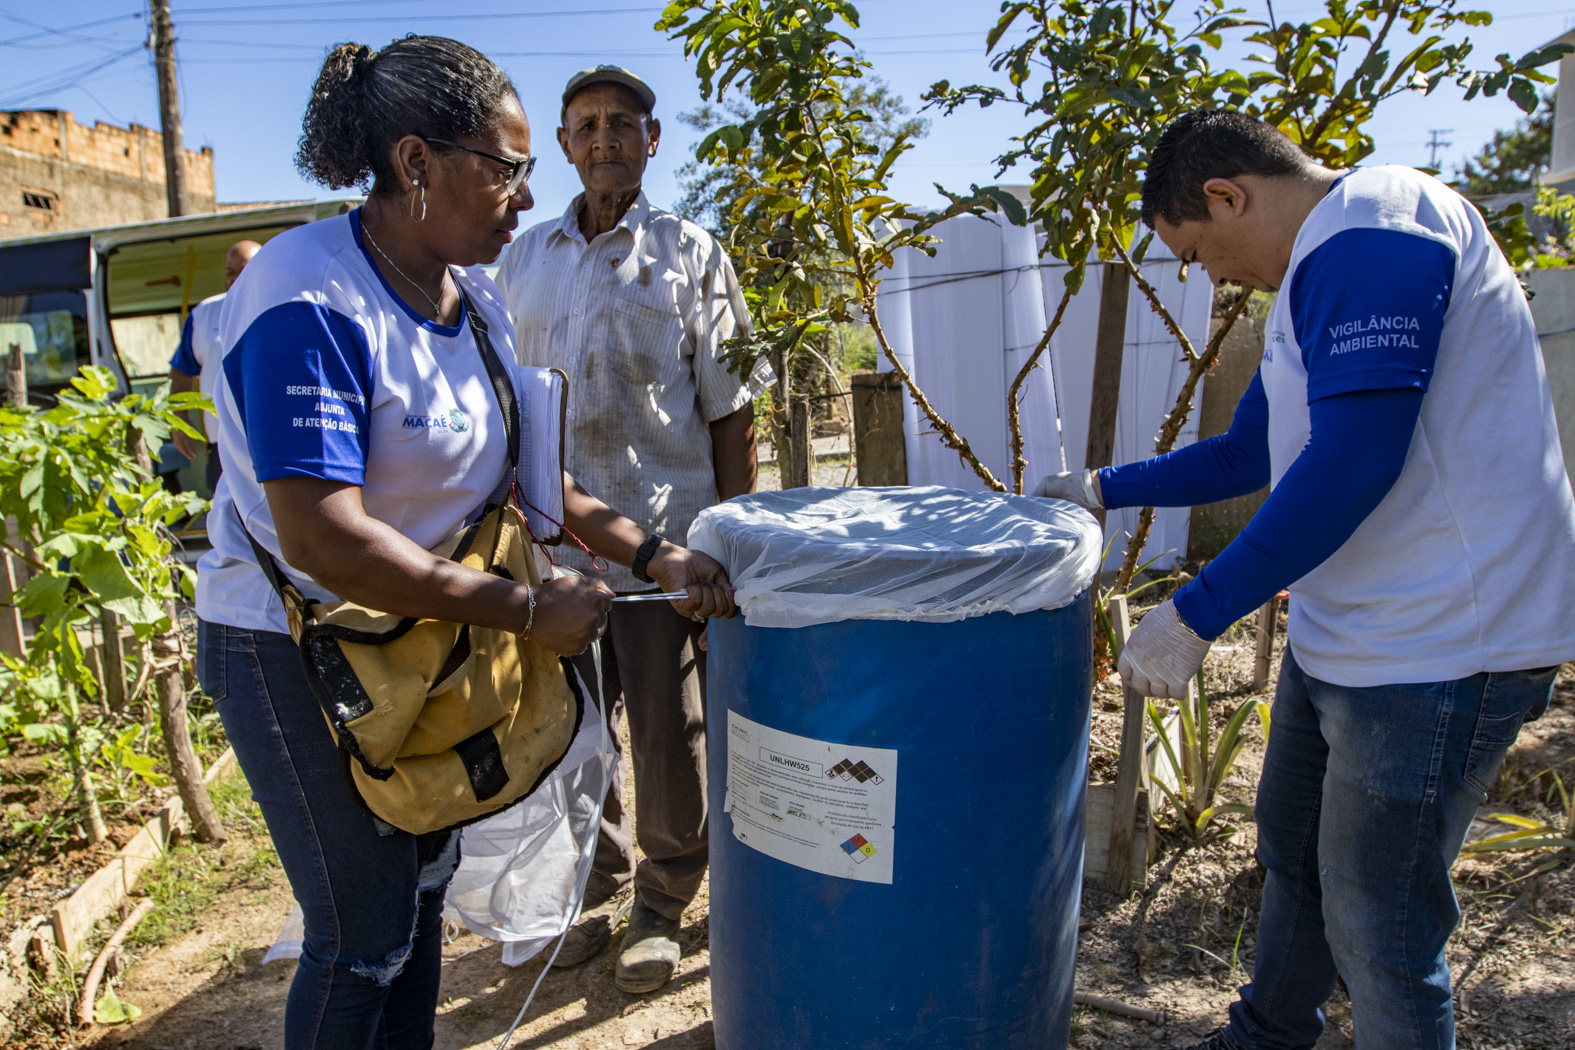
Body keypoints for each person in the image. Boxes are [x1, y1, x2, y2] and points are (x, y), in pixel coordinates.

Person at [195, 37, 737, 1049]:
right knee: (359, 934)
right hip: (298, 651)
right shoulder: (305, 294)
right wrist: (528, 611)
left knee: (418, 905)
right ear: (415, 163)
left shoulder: (474, 297)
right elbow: (322, 535)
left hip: (422, 640)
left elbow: (543, 486)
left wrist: (653, 554)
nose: (526, 197)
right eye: (508, 168)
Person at [1034, 110, 1575, 1050]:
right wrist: (1100, 488)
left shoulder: (1379, 227)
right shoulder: (1309, 274)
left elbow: (1354, 461)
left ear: (1226, 194)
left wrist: (1197, 611)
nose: (1209, 276)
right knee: (1294, 857)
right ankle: (1267, 1037)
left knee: (1383, 928)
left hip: (1444, 645)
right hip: (1356, 633)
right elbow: (1254, 451)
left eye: (1199, 250)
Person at [494, 64, 770, 994]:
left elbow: (732, 412)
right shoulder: (522, 258)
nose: (604, 137)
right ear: (563, 147)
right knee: (574, 733)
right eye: (585, 125)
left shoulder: (693, 253)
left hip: (664, 542)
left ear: (653, 141)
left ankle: (662, 898)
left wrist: (726, 542)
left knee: (663, 729)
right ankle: (592, 888)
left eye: (622, 123)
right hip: (552, 548)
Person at [169, 239, 260, 491]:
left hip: (273, 439)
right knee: (228, 522)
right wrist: (180, 422)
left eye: (243, 271)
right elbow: (181, 373)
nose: (234, 280)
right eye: (230, 273)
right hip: (222, 445)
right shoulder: (204, 314)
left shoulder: (285, 306)